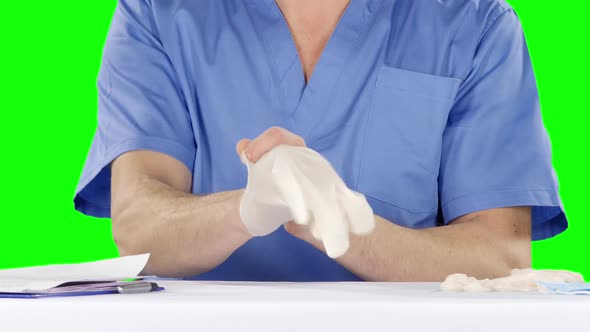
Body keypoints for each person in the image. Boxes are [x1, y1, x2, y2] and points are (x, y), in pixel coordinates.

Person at [75, 0, 567, 281]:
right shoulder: (158, 14)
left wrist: (352, 229)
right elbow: (138, 227)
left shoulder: (472, 23)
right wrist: (247, 208)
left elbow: (501, 254)